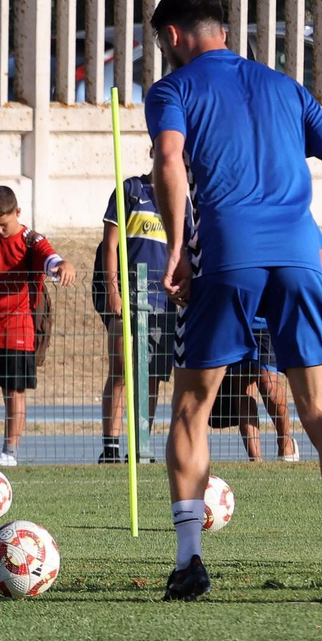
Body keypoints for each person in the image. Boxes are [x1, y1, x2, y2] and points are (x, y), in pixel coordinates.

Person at [145, 0, 322, 604]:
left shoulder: (173, 90)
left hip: (228, 253)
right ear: (223, 30)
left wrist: (175, 247)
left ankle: (189, 561)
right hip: (300, 256)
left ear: (173, 36)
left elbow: (169, 161)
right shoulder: (287, 88)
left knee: (191, 408)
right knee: (321, 413)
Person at [0, 186, 74, 468]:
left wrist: (64, 264)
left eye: (3, 224)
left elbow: (51, 258)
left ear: (17, 212)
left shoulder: (32, 241)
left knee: (14, 393)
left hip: (18, 333)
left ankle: (9, 454)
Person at [93, 172, 178, 465]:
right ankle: (111, 447)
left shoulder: (181, 199)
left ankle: (141, 445)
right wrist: (113, 290)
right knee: (121, 369)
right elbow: (110, 245)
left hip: (162, 303)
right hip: (128, 297)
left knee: (151, 376)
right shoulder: (131, 190)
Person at [206, 323, 298, 463]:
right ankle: (255, 460)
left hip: (265, 323)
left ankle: (285, 442)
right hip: (235, 324)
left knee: (268, 384)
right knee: (241, 389)